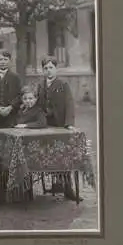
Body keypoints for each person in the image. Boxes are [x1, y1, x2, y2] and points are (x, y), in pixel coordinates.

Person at [36, 56, 78, 200]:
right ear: (43, 70)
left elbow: (69, 103)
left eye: (51, 68)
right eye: (45, 68)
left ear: (56, 69)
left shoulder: (63, 84)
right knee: (49, 155)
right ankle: (57, 182)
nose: (48, 71)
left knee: (63, 155)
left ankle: (68, 188)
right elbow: (38, 105)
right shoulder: (41, 85)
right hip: (45, 125)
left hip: (60, 124)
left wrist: (69, 123)